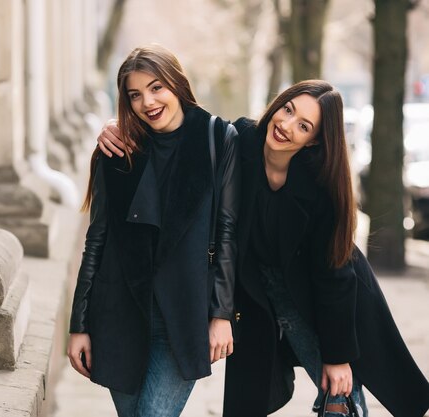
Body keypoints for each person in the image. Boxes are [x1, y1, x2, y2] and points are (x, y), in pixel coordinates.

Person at [97, 80, 429, 417]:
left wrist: (338, 357)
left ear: (314, 139)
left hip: (325, 299)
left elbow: (334, 278)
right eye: (287, 109)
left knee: (339, 394)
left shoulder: (322, 186)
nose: (285, 125)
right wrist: (121, 125)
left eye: (303, 125)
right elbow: (188, 127)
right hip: (259, 297)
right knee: (252, 396)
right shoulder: (240, 140)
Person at [67, 45, 240, 417]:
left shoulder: (216, 138)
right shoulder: (118, 149)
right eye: (135, 94)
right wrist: (79, 324)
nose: (147, 101)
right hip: (119, 314)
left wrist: (222, 314)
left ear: (176, 83)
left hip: (183, 316)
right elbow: (96, 239)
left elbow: (227, 231)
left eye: (156, 87)